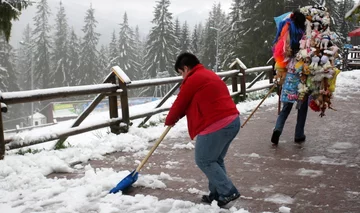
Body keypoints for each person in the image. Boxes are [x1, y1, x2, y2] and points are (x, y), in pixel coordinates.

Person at [165, 52, 240, 206]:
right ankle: (217, 195)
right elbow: (191, 102)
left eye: (181, 73)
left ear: (185, 68)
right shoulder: (207, 74)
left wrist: (169, 120)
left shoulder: (193, 79)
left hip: (216, 124)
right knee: (215, 160)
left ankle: (228, 191)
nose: (182, 77)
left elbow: (180, 102)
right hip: (232, 120)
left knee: (204, 160)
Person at [271, 9, 307, 145]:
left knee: (286, 107)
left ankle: (277, 130)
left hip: (290, 71)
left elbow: (282, 53)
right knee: (302, 106)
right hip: (302, 72)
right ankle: (299, 134)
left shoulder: (287, 32)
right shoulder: (303, 35)